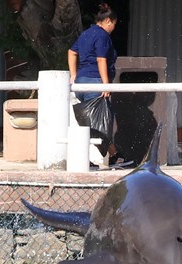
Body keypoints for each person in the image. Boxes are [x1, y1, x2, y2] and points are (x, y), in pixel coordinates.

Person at [68, 3, 121, 166]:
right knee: (101, 122)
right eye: (114, 24)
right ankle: (110, 157)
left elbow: (71, 52)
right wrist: (105, 84)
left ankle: (112, 156)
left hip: (81, 84)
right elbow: (101, 59)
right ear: (108, 21)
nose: (113, 28)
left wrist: (74, 75)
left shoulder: (85, 34)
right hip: (95, 82)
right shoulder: (102, 36)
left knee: (89, 123)